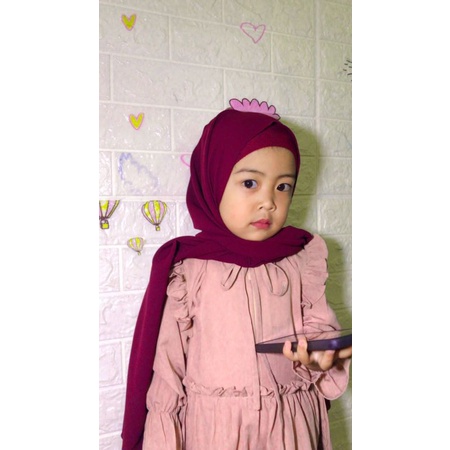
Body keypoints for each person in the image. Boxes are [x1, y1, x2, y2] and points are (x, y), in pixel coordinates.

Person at [121, 99, 352, 450]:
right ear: (213, 182)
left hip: (291, 427)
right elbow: (167, 371)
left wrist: (322, 356)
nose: (268, 202)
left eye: (283, 186)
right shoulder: (190, 269)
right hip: (217, 432)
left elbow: (319, 328)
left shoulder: (300, 258)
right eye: (250, 183)